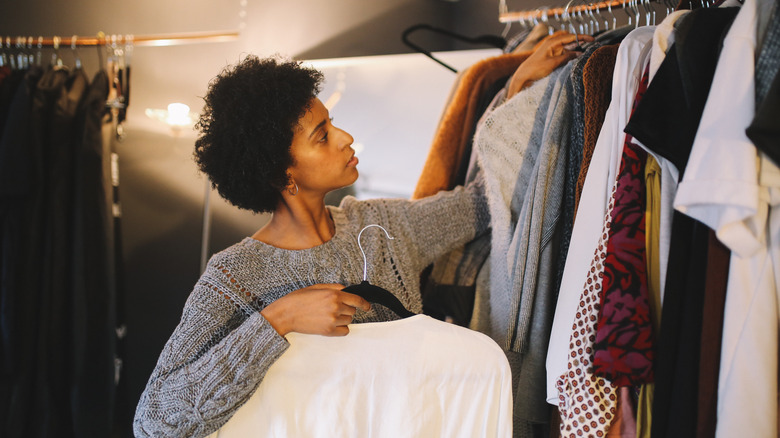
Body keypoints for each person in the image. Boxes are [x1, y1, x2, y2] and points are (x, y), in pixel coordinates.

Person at [133, 31, 588, 438]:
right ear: (282, 173)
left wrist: (518, 89)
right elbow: (155, 420)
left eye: (333, 123)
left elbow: (482, 202)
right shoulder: (234, 276)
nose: (346, 137)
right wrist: (278, 319)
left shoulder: (383, 228)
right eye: (322, 135)